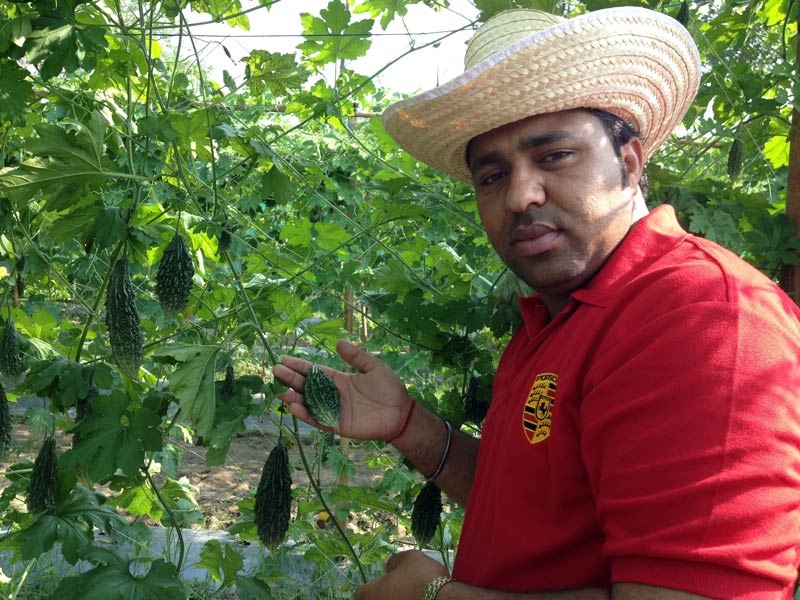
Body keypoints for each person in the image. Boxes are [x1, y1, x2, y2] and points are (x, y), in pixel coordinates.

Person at [273, 6, 800, 600]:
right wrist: (408, 425)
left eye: (554, 156)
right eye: (492, 176)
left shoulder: (702, 318)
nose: (521, 196)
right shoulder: (558, 319)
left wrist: (432, 598)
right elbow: (539, 508)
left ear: (629, 163)